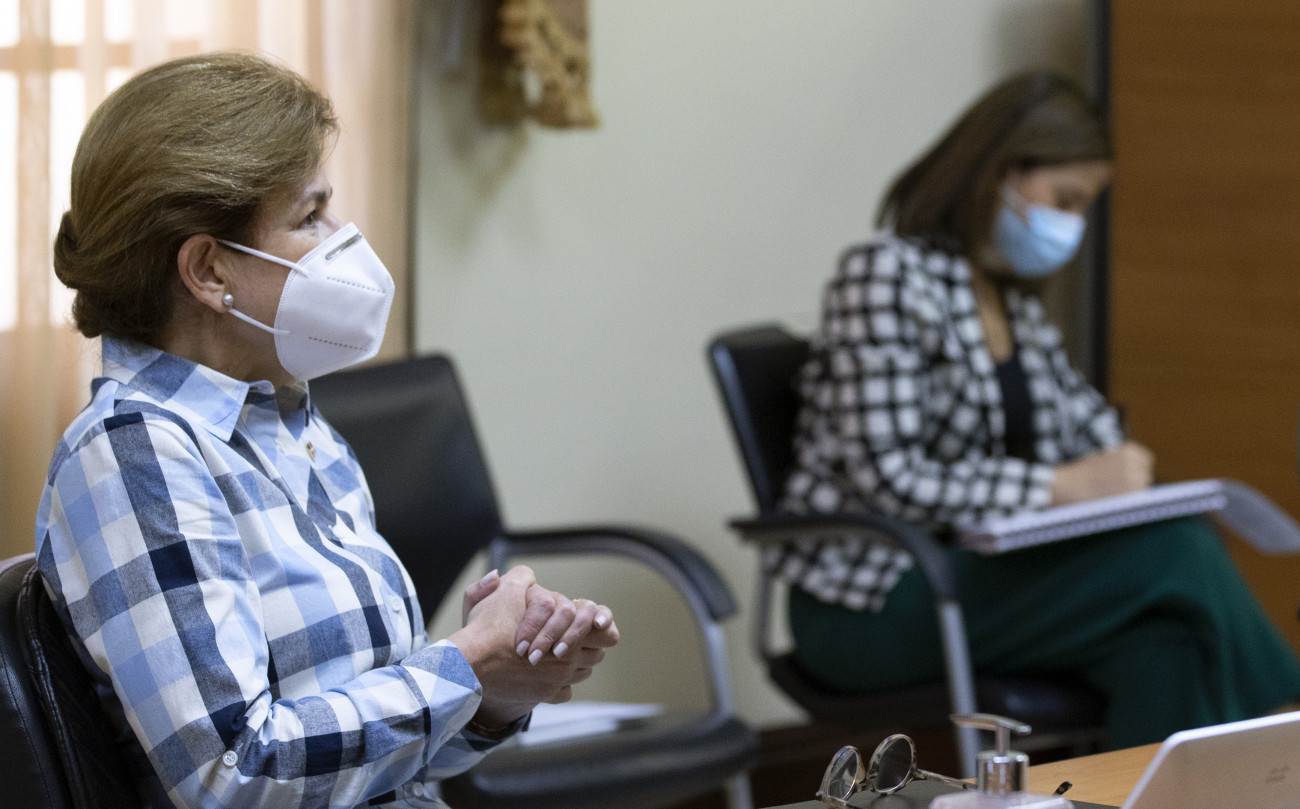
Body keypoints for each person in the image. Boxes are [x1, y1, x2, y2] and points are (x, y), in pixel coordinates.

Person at [35, 52, 617, 809]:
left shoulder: (291, 425)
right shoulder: (134, 456)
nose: (343, 239)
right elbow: (233, 775)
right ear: (209, 271)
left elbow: (380, 757)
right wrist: (466, 664)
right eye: (310, 217)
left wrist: (499, 688)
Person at [776, 69, 1300, 748]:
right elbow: (888, 476)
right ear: (999, 170)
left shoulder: (1012, 302)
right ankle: (1290, 709)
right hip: (874, 599)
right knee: (1179, 550)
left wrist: (1121, 467)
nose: (1072, 224)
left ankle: (1160, 789)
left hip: (976, 581)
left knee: (1168, 638)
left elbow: (1087, 427)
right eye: (1065, 199)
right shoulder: (884, 273)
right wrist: (1059, 486)